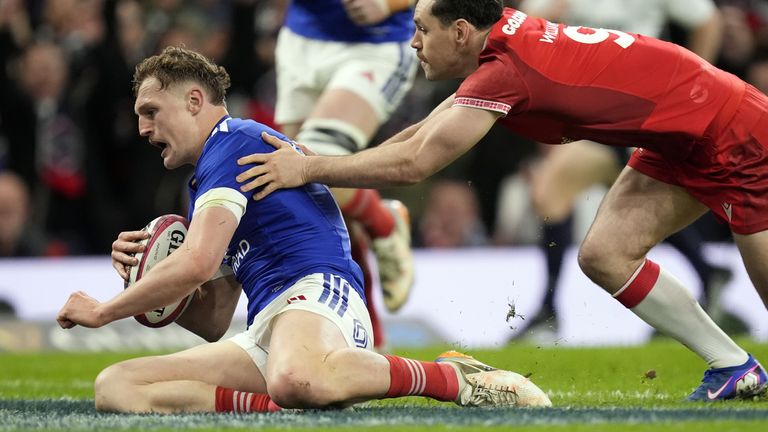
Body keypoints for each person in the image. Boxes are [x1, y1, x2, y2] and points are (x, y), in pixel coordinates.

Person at [236, 0, 768, 401]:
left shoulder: (507, 69)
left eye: (422, 30)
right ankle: (732, 366)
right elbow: (423, 132)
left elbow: (416, 163)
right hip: (678, 135)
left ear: (461, 31)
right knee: (605, 255)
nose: (414, 42)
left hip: (735, 131)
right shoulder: (504, 41)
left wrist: (306, 168)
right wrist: (306, 160)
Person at [56, 46, 551, 413]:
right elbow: (212, 319)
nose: (143, 128)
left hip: (319, 293)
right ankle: (285, 405)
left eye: (150, 112)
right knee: (115, 388)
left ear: (193, 100)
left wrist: (105, 309)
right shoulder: (206, 179)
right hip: (271, 323)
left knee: (294, 376)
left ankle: (449, 377)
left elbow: (199, 262)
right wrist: (147, 279)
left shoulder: (233, 142)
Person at [512, 0, 740, 341]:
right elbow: (521, 32)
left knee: (591, 199)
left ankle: (549, 310)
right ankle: (708, 272)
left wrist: (697, 88)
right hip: (590, 118)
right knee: (556, 194)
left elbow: (708, 23)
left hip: (643, 113)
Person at [274, 0, 421, 321]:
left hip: (373, 45)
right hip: (300, 40)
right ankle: (368, 331)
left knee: (305, 169)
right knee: (316, 202)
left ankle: (383, 222)